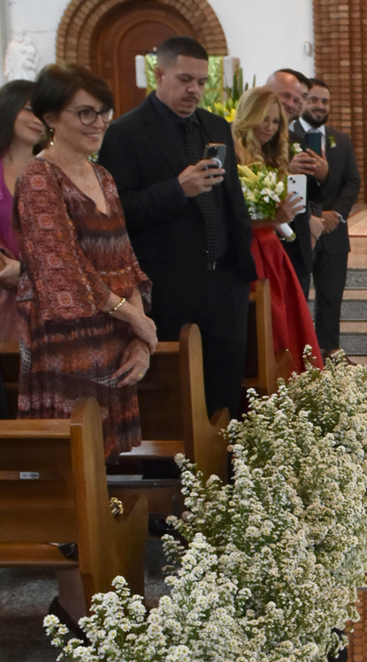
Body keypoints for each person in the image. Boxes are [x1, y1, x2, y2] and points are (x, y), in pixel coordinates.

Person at [99, 36, 255, 420]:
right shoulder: (126, 132)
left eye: (202, 82)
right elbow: (118, 211)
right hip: (170, 285)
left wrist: (242, 269)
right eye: (185, 79)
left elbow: (232, 201)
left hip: (223, 282)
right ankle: (175, 475)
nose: (194, 90)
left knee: (225, 384)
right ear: (159, 73)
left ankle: (226, 473)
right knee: (177, 395)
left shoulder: (215, 125)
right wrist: (176, 190)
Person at [16, 66, 156, 454]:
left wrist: (140, 340)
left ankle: (111, 513)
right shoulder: (39, 177)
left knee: (108, 456)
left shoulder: (104, 176)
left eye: (104, 112)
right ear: (50, 118)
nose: (99, 123)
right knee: (77, 457)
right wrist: (135, 318)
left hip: (113, 333)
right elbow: (60, 268)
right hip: (66, 340)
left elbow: (126, 260)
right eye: (85, 113)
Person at [231, 86, 322, 374]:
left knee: (287, 320)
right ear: (248, 116)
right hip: (250, 248)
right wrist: (273, 217)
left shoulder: (270, 155)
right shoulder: (234, 154)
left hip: (272, 247)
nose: (269, 128)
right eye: (264, 119)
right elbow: (232, 215)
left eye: (275, 122)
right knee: (268, 323)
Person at [289, 77, 360, 356]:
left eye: (325, 101)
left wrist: (336, 215)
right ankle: (300, 357)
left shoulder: (341, 141)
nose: (319, 106)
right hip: (298, 228)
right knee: (299, 297)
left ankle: (330, 354)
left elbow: (352, 182)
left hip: (333, 231)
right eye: (314, 99)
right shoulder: (284, 136)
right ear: (304, 100)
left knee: (331, 297)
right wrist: (316, 214)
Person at [266, 68, 327, 297]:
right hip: (265, 244)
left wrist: (322, 175)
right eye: (286, 96)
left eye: (300, 98)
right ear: (266, 92)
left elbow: (314, 194)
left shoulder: (300, 142)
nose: (293, 103)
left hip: (296, 247)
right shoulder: (248, 137)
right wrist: (287, 173)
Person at [0, 79, 42, 343]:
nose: (38, 119)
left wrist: (27, 270)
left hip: (45, 298)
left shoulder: (52, 172)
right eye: (29, 109)